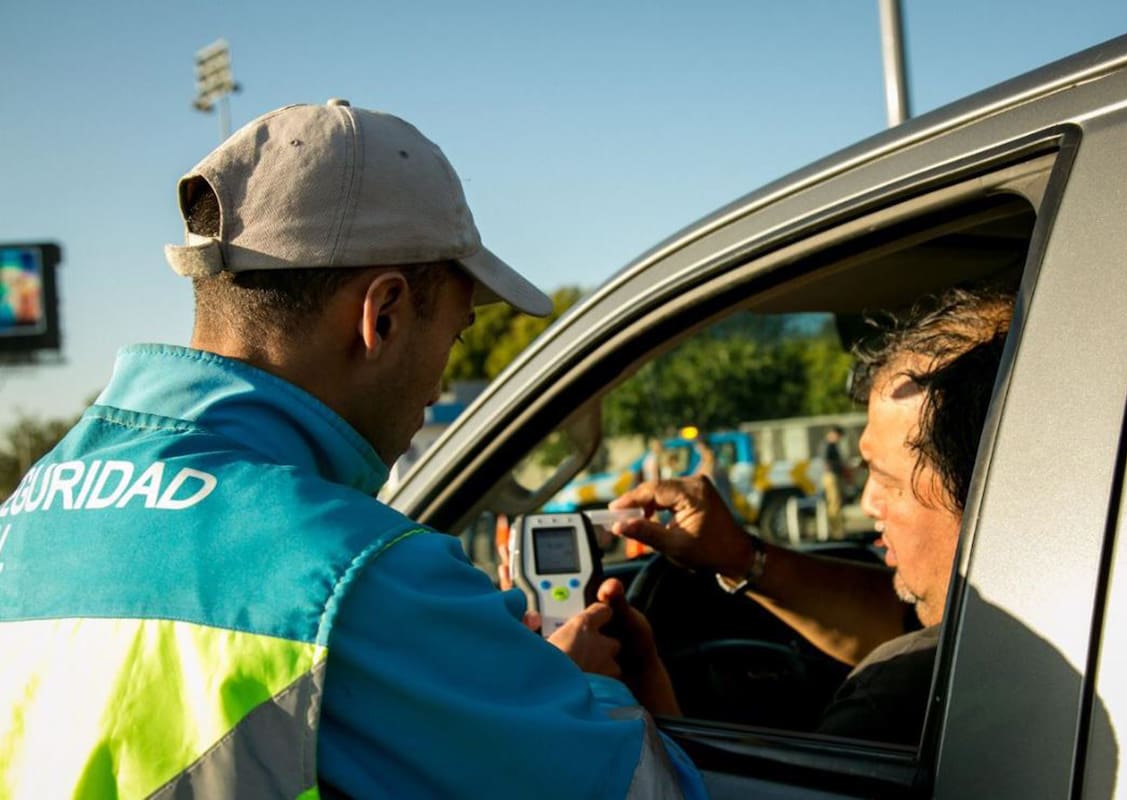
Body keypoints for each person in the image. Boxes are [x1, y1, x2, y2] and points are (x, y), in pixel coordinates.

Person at [0, 100, 704, 799]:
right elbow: (650, 791)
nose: (440, 381)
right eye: (455, 333)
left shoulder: (26, 512)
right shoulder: (365, 571)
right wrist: (568, 689)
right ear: (383, 314)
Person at [611, 287, 1013, 745]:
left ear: (981, 488)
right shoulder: (1018, 632)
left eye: (887, 479)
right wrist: (740, 556)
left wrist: (635, 691)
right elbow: (895, 620)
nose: (868, 502)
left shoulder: (899, 698)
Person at [820, 425, 848, 540]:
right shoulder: (828, 445)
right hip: (831, 476)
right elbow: (827, 463)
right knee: (834, 503)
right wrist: (841, 466)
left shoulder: (831, 445)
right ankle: (836, 531)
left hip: (833, 475)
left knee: (836, 502)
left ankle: (838, 529)